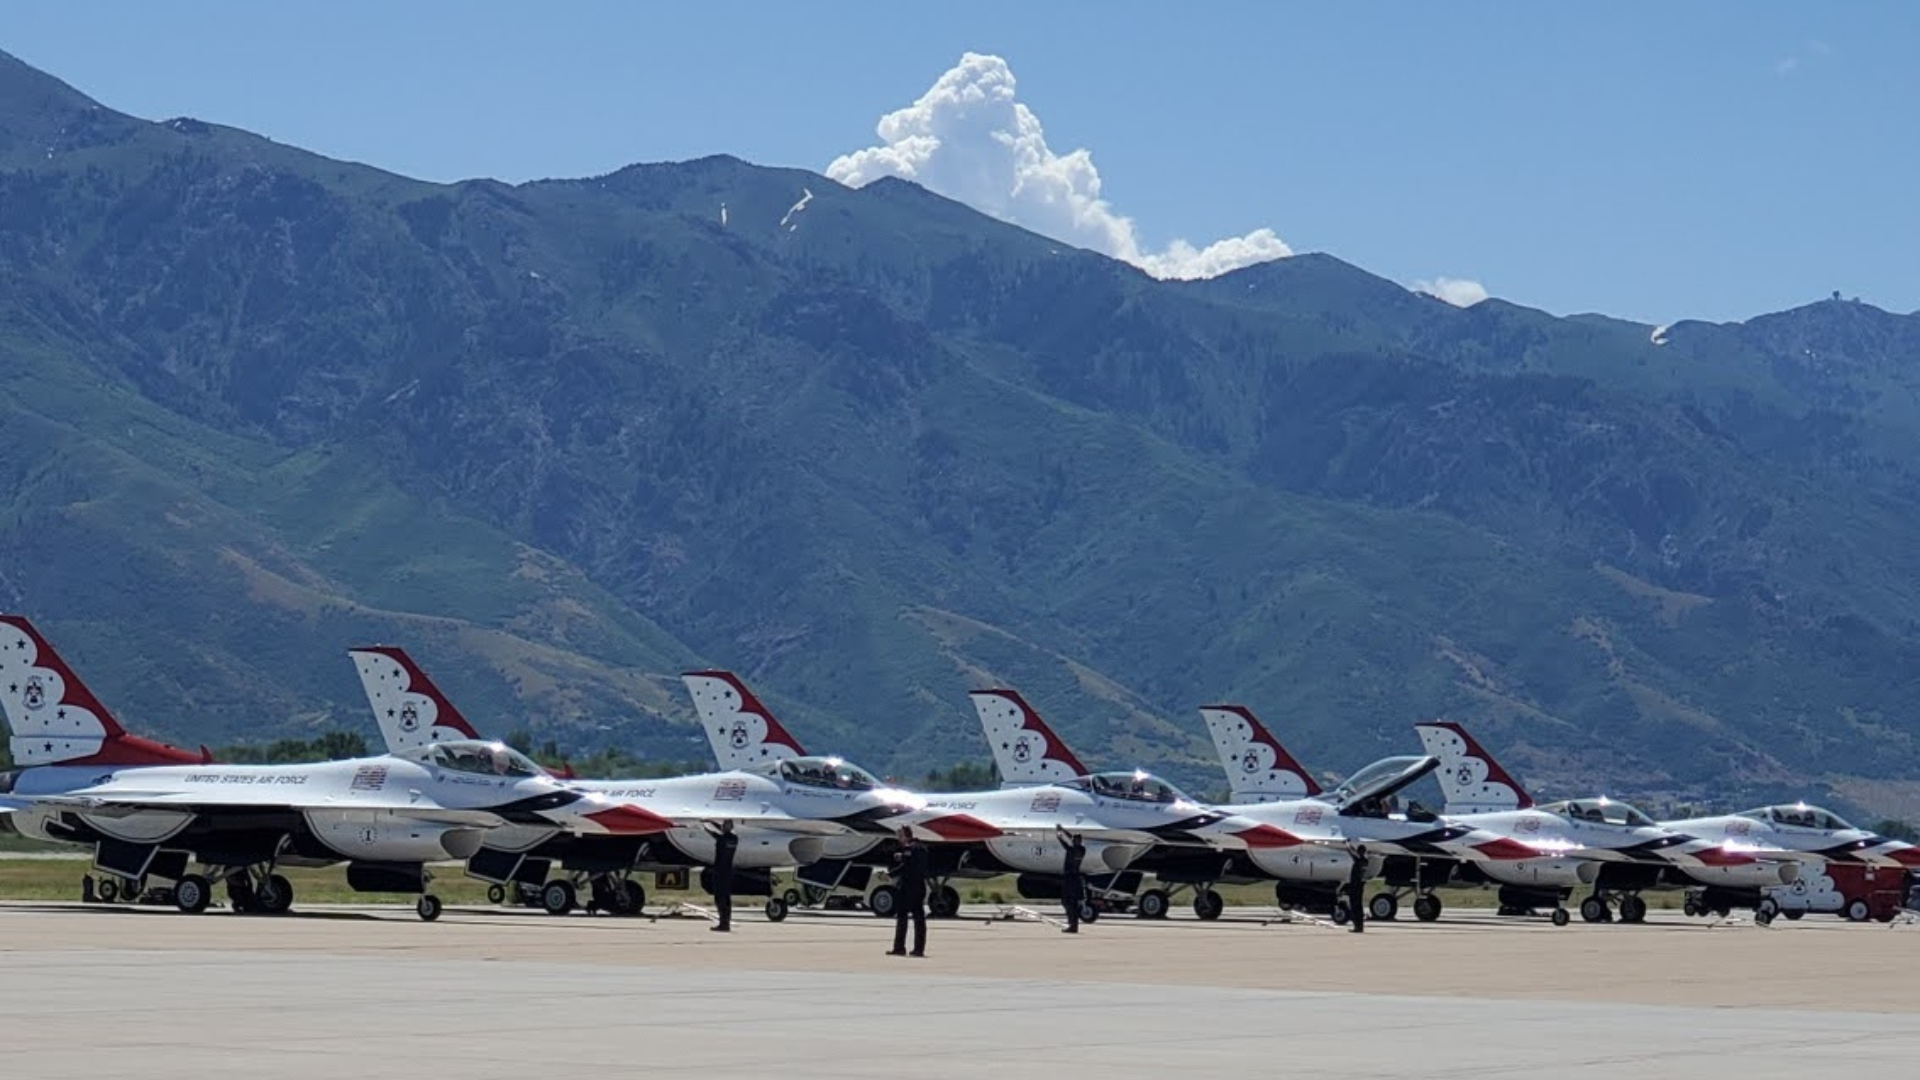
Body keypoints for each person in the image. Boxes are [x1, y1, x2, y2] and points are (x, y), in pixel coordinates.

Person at [888, 826, 929, 957]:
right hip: (918, 885)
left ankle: (900, 947)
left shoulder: (911, 848)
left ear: (906, 836)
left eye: (900, 835)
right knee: (918, 918)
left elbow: (906, 866)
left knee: (904, 917)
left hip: (909, 886)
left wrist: (890, 874)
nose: (898, 839)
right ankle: (918, 948)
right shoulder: (922, 848)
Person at [708, 819, 737, 932]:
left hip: (720, 871)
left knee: (719, 898)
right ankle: (726, 922)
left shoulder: (722, 838)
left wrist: (706, 825)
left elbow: (714, 833)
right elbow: (721, 831)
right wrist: (712, 822)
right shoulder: (734, 839)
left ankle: (723, 924)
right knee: (726, 898)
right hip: (728, 871)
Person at [1057, 825, 1086, 933]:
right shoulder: (1082, 850)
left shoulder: (1071, 850)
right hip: (1076, 877)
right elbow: (1071, 839)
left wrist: (1059, 836)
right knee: (1072, 903)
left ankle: (1072, 925)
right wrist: (1063, 830)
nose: (1073, 841)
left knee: (1067, 902)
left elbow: (1065, 843)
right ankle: (1073, 925)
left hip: (1069, 878)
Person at [1345, 844, 1368, 934]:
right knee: (1359, 907)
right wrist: (1351, 847)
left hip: (1356, 886)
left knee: (1355, 907)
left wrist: (1348, 847)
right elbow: (1354, 855)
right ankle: (1360, 926)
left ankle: (1357, 927)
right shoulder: (1365, 861)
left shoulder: (1359, 861)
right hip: (1360, 887)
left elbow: (1352, 855)